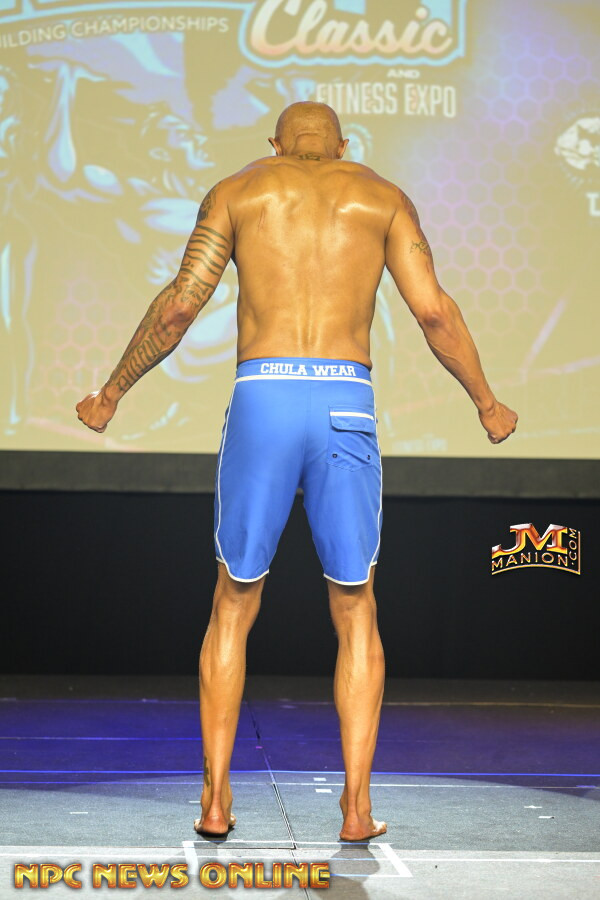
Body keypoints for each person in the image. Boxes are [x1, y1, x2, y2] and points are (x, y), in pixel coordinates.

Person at [76, 101, 518, 842]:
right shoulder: (382, 196)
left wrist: (112, 391)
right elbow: (435, 313)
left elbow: (180, 307)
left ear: (275, 144)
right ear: (344, 144)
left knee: (232, 601)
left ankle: (216, 804)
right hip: (345, 399)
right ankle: (356, 810)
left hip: (264, 398)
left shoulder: (238, 189)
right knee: (356, 606)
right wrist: (487, 402)